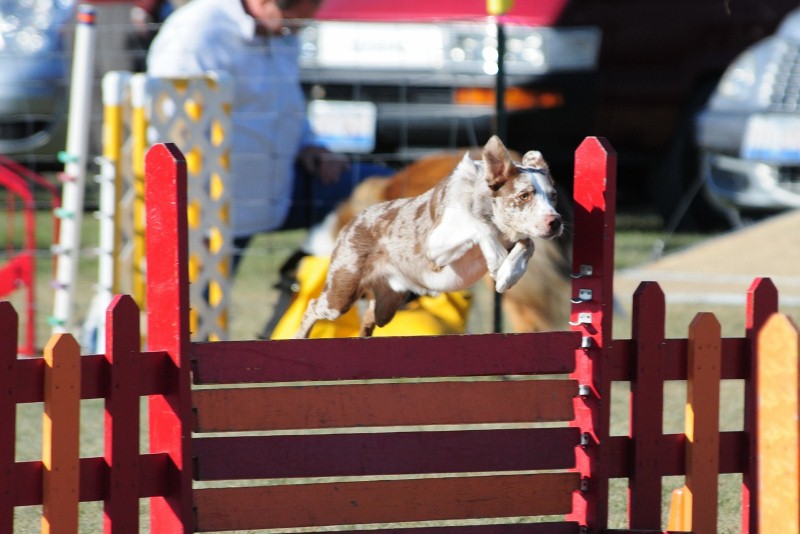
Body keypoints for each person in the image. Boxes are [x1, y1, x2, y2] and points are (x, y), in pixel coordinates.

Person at [147, 0, 391, 273]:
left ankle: (306, 283)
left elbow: (287, 100)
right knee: (194, 304)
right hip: (211, 203)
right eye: (292, 22)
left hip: (278, 186)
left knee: (380, 188)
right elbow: (171, 127)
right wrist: (193, 204)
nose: (296, 33)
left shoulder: (280, 31)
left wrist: (310, 144)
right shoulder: (196, 33)